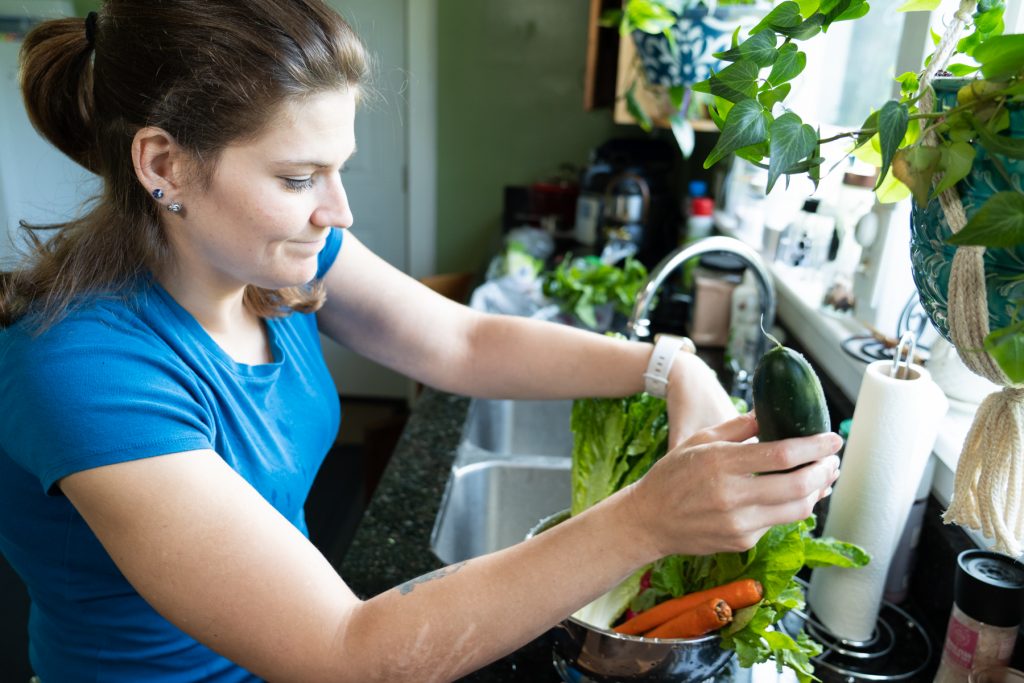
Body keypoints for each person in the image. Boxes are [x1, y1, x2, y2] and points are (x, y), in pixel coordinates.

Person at [0, 2, 842, 681]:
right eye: (298, 178)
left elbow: (462, 342)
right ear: (164, 164)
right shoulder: (81, 368)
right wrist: (650, 519)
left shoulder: (279, 253)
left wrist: (668, 366)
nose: (338, 212)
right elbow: (343, 651)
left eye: (340, 169)